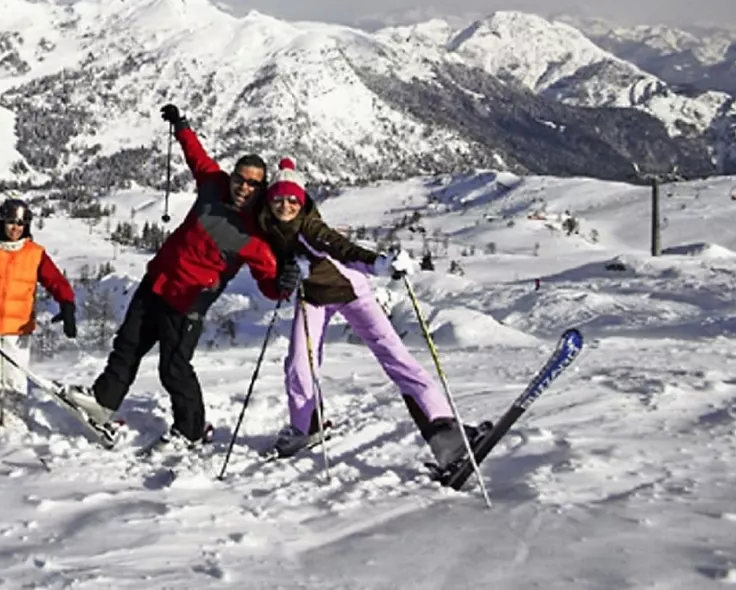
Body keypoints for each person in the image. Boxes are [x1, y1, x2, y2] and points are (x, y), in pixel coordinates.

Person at [64, 104, 295, 448]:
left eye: (252, 184)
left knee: (173, 368)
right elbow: (196, 155)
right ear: (231, 177)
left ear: (261, 189)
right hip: (156, 281)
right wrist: (181, 125)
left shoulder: (256, 238)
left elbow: (269, 283)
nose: (243, 187)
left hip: (187, 302)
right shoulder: (213, 185)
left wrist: (283, 284)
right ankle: (103, 401)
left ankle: (191, 430)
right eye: (239, 179)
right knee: (126, 346)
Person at [259, 157, 486, 466]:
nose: (285, 205)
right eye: (278, 199)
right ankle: (305, 426)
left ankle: (445, 432)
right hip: (312, 297)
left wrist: (380, 264)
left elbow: (344, 249)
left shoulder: (312, 227)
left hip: (352, 293)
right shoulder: (268, 227)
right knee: (299, 363)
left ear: (302, 201)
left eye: (292, 199)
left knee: (395, 357)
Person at [0, 198, 79, 451]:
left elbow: (56, 281)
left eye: (21, 223)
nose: (15, 228)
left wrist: (67, 304)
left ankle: (15, 427)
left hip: (18, 329)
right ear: (1, 221)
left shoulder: (35, 254)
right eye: (11, 222)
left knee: (15, 380)